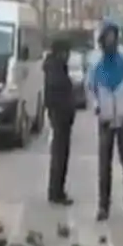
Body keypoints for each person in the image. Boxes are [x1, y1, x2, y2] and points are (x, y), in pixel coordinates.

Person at [88, 22, 123, 221]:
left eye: (114, 37)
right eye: (107, 38)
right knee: (104, 165)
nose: (111, 41)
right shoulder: (96, 64)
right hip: (105, 120)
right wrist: (95, 105)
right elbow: (90, 87)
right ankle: (103, 206)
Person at [44, 38, 76, 206]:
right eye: (66, 52)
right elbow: (55, 93)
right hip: (60, 117)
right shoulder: (54, 70)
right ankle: (56, 192)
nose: (68, 56)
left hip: (62, 116)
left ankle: (57, 190)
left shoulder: (57, 67)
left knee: (61, 155)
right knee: (59, 155)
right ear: (60, 52)